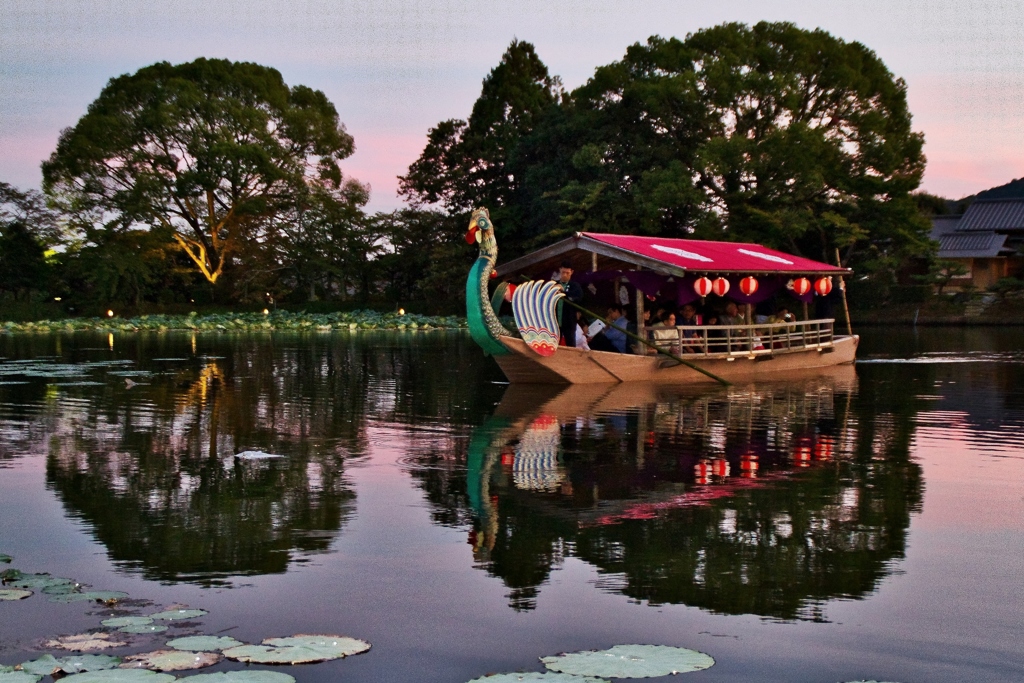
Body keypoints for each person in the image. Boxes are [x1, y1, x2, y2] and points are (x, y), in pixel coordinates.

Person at [554, 261, 583, 347]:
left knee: (571, 345)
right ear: (560, 270)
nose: (565, 275)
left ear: (572, 272)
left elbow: (577, 299)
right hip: (555, 321)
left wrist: (563, 292)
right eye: (563, 272)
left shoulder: (575, 286)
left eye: (567, 273)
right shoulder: (554, 284)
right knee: (554, 345)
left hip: (569, 322)